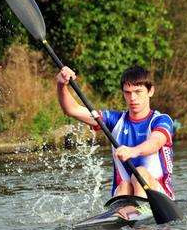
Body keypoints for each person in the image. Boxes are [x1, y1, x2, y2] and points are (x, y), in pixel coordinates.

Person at [56, 65, 174, 219]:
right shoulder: (114, 120)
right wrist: (61, 85)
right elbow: (71, 110)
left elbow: (155, 142)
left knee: (139, 173)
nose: (132, 98)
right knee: (125, 184)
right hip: (124, 194)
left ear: (150, 91)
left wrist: (133, 151)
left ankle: (137, 214)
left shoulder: (161, 120)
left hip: (158, 196)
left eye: (138, 92)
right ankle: (125, 215)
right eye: (127, 93)